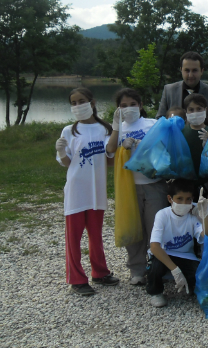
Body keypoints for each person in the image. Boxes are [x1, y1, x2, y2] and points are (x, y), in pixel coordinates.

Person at [55, 87, 119, 296]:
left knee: (96, 234)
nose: (77, 106)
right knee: (73, 237)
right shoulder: (69, 130)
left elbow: (110, 161)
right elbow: (66, 163)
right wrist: (61, 151)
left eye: (80, 101)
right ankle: (77, 279)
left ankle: (99, 272)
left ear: (91, 102)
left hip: (97, 190)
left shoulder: (105, 129)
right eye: (73, 103)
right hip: (76, 190)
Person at [105, 88, 169, 285]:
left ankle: (157, 269)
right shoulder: (118, 127)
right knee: (133, 228)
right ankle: (137, 270)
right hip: (129, 187)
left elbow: (165, 149)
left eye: (132, 104)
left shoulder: (153, 124)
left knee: (155, 228)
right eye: (123, 106)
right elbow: (109, 151)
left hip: (153, 184)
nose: (128, 109)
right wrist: (117, 128)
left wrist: (145, 145)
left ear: (140, 106)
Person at [146, 179, 208, 308]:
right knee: (155, 267)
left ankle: (190, 284)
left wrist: (204, 215)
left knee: (200, 274)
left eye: (188, 199)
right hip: (164, 253)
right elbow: (154, 246)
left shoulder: (193, 216)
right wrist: (175, 270)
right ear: (170, 199)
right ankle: (156, 292)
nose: (184, 203)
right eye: (179, 199)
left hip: (186, 256)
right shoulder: (162, 215)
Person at [156, 51, 208, 119]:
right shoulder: (169, 91)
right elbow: (160, 119)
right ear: (181, 70)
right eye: (187, 70)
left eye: (194, 70)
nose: (190, 75)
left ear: (202, 71)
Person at [181, 94, 208, 189]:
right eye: (191, 110)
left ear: (205, 110)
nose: (195, 112)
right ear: (186, 112)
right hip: (186, 184)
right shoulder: (181, 133)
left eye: (199, 109)